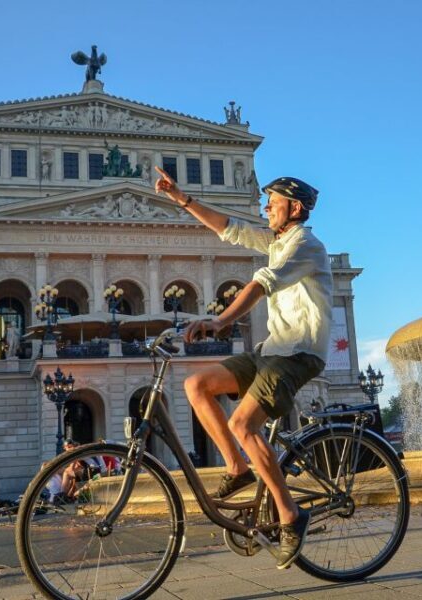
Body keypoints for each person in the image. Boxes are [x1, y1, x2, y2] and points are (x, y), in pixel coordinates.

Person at [154, 166, 333, 569]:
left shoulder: (306, 246)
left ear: (296, 209)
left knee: (242, 425)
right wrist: (180, 198)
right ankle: (237, 467)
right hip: (272, 349)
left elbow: (260, 284)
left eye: (274, 202)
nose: (266, 206)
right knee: (197, 384)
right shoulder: (276, 240)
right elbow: (229, 228)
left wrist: (219, 320)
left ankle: (290, 515)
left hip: (299, 353)